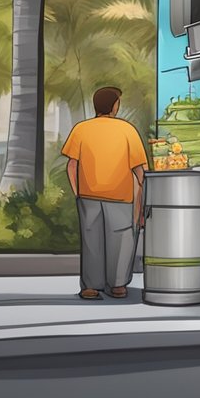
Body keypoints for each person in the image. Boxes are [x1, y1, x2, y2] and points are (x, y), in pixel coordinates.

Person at [61, 87, 148, 300]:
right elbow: (140, 171)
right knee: (121, 240)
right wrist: (143, 200)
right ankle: (117, 285)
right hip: (121, 196)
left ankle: (90, 287)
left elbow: (71, 166)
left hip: (88, 196)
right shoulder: (127, 130)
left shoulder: (81, 129)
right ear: (114, 105)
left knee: (91, 241)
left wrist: (78, 192)